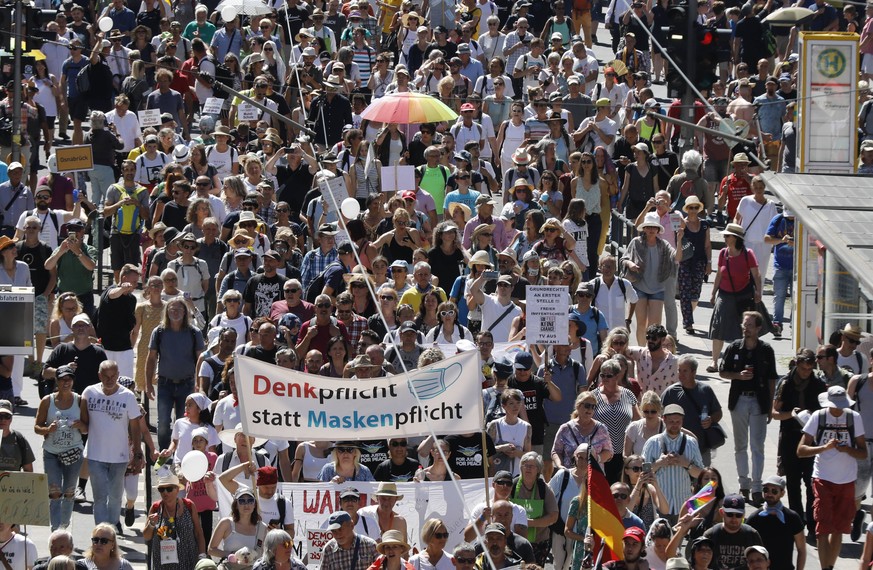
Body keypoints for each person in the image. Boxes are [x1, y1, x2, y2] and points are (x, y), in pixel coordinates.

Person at [798, 386, 867, 568]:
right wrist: (824, 448)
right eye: (834, 406)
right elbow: (801, 450)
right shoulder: (818, 417)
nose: (837, 409)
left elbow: (863, 453)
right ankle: (825, 568)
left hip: (846, 480)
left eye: (841, 405)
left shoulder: (854, 417)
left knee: (839, 529)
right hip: (823, 478)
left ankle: (829, 566)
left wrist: (847, 449)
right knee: (822, 528)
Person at [719, 311, 777, 507]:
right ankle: (744, 484)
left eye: (750, 325)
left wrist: (770, 406)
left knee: (757, 446)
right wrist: (737, 376)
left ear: (759, 328)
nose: (746, 328)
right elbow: (722, 371)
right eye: (744, 325)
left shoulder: (766, 350)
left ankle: (757, 487)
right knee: (740, 445)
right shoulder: (734, 347)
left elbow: (772, 379)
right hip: (739, 401)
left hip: (759, 401)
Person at [81, 361, 142, 527]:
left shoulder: (127, 396)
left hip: (119, 457)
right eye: (106, 376)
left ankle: (113, 527)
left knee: (115, 496)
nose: (109, 380)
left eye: (113, 376)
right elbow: (84, 423)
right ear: (99, 375)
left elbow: (136, 427)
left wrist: (137, 453)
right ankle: (101, 532)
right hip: (95, 455)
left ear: (118, 375)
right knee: (100, 497)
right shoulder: (89, 393)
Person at [34, 365, 86, 530]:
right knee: (54, 491)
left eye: (69, 379)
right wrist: (48, 430)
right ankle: (56, 530)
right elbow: (37, 427)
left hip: (73, 452)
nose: (66, 382)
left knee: (69, 492)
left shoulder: (79, 400)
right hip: (52, 452)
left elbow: (87, 428)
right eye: (63, 379)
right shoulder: (47, 401)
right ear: (56, 380)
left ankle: (64, 525)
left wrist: (80, 425)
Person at [620, 213, 682, 345]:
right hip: (639, 286)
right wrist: (631, 264)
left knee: (654, 326)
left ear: (658, 229)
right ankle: (642, 350)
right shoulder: (636, 242)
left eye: (654, 227)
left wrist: (680, 240)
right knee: (641, 324)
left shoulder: (664, 245)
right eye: (648, 227)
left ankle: (652, 351)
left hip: (658, 288)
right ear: (644, 228)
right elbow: (624, 259)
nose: (651, 229)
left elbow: (677, 258)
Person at [708, 224, 762, 373]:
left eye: (727, 236)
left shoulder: (748, 253)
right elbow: (719, 274)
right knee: (718, 327)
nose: (725, 238)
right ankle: (714, 361)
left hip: (743, 296)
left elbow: (756, 274)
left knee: (744, 329)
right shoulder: (723, 253)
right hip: (724, 295)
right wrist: (713, 293)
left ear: (736, 238)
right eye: (725, 236)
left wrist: (758, 291)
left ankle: (743, 361)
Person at [641, 404, 704, 522]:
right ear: (664, 419)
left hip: (684, 505)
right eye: (671, 421)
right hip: (659, 505)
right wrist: (660, 463)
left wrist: (687, 464)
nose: (675, 425)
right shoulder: (652, 443)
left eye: (678, 422)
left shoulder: (691, 442)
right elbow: (642, 473)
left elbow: (701, 474)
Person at [660, 355, 724, 466]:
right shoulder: (671, 392)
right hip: (676, 449)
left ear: (694, 372)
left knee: (703, 479)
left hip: (701, 448)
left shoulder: (705, 390)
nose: (681, 374)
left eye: (685, 371)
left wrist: (711, 419)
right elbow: (660, 416)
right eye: (679, 370)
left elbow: (718, 413)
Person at [143, 473, 206, 570]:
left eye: (169, 489)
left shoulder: (189, 506)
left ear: (177, 490)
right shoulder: (156, 508)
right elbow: (146, 536)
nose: (165, 493)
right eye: (161, 489)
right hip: (162, 564)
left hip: (188, 562)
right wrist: (151, 524)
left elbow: (198, 532)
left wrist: (202, 556)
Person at [508, 452, 559, 565]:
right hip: (514, 541)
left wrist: (528, 523)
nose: (528, 468)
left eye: (531, 466)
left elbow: (553, 516)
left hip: (538, 542)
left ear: (538, 470)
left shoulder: (544, 488)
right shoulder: (512, 485)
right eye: (525, 465)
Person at [745, 476, 806, 570]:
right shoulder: (754, 518)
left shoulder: (792, 518)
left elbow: (801, 550)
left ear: (782, 493)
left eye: (774, 491)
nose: (769, 494)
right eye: (766, 490)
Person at [702, 494, 763, 570]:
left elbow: (761, 564)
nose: (734, 519)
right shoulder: (710, 535)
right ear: (722, 512)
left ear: (743, 515)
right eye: (729, 514)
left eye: (738, 515)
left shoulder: (752, 535)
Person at [207, 487, 270, 561]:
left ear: (254, 505)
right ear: (236, 505)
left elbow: (265, 554)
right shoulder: (226, 523)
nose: (246, 505)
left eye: (250, 501)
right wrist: (231, 555)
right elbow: (211, 550)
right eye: (242, 501)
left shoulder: (262, 527)